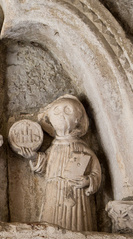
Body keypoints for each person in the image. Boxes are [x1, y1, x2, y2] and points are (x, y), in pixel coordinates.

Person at [17, 95, 101, 231]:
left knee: (76, 225)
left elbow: (96, 172)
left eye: (67, 111)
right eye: (56, 111)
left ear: (77, 119)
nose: (61, 114)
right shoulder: (54, 148)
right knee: (51, 224)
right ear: (49, 119)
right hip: (54, 191)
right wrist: (33, 157)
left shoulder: (83, 149)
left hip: (76, 194)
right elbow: (45, 166)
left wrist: (88, 181)